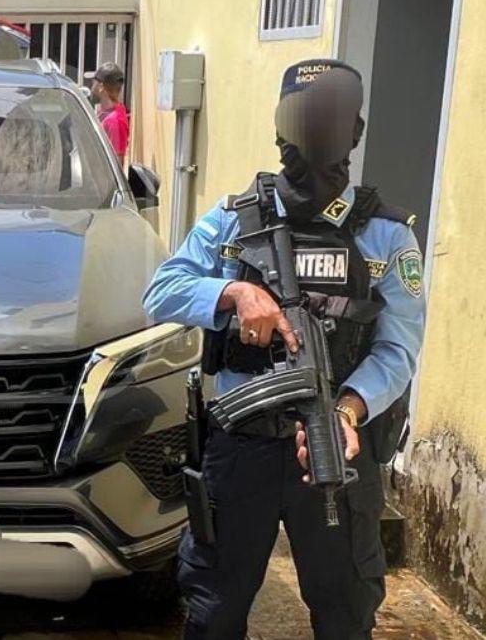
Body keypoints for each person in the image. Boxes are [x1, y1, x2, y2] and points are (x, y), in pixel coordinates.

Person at [143, 60, 425, 639]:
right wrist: (233, 291)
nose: (311, 139)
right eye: (300, 121)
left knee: (345, 610)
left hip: (333, 447)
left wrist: (348, 409)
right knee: (213, 610)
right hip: (240, 447)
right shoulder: (232, 220)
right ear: (279, 128)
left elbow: (398, 349)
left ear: (355, 131)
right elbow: (160, 291)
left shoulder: (387, 236)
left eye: (328, 122)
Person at [90, 61, 129, 158]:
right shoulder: (107, 111)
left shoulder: (114, 122)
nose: (91, 87)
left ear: (101, 87)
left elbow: (116, 161)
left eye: (93, 82)